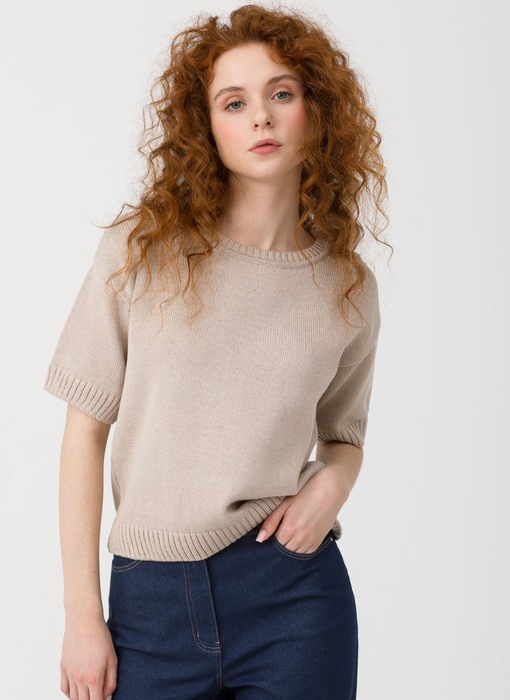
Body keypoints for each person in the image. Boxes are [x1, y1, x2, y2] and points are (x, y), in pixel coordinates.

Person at [43, 4, 390, 699]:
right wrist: (83, 617)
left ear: (316, 112)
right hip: (149, 607)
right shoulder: (141, 250)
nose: (260, 117)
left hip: (293, 596)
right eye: (234, 102)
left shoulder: (346, 287)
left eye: (281, 93)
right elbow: (84, 433)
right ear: (205, 127)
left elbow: (343, 436)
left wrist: (333, 483)